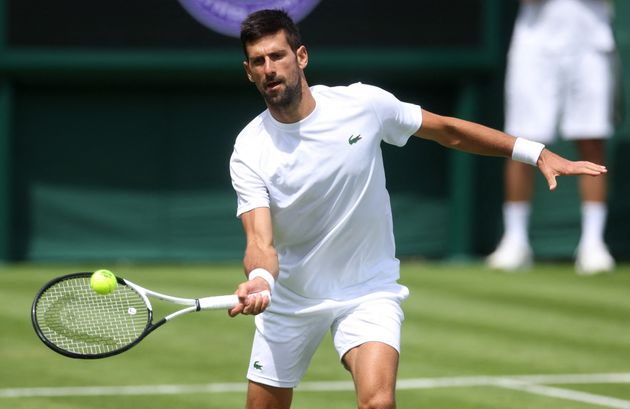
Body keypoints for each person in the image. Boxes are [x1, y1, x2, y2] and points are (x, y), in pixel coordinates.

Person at [227, 9, 607, 409]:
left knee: (378, 402)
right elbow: (260, 241)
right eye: (258, 61)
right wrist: (260, 280)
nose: (269, 68)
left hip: (367, 289)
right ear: (248, 71)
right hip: (291, 298)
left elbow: (449, 131)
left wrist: (535, 152)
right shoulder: (249, 148)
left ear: (300, 57)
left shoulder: (363, 104)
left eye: (277, 56)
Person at [486, 0, 617, 274]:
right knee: (522, 142)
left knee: (591, 139)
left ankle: (593, 243)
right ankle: (515, 240)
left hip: (591, 44)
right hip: (535, 47)